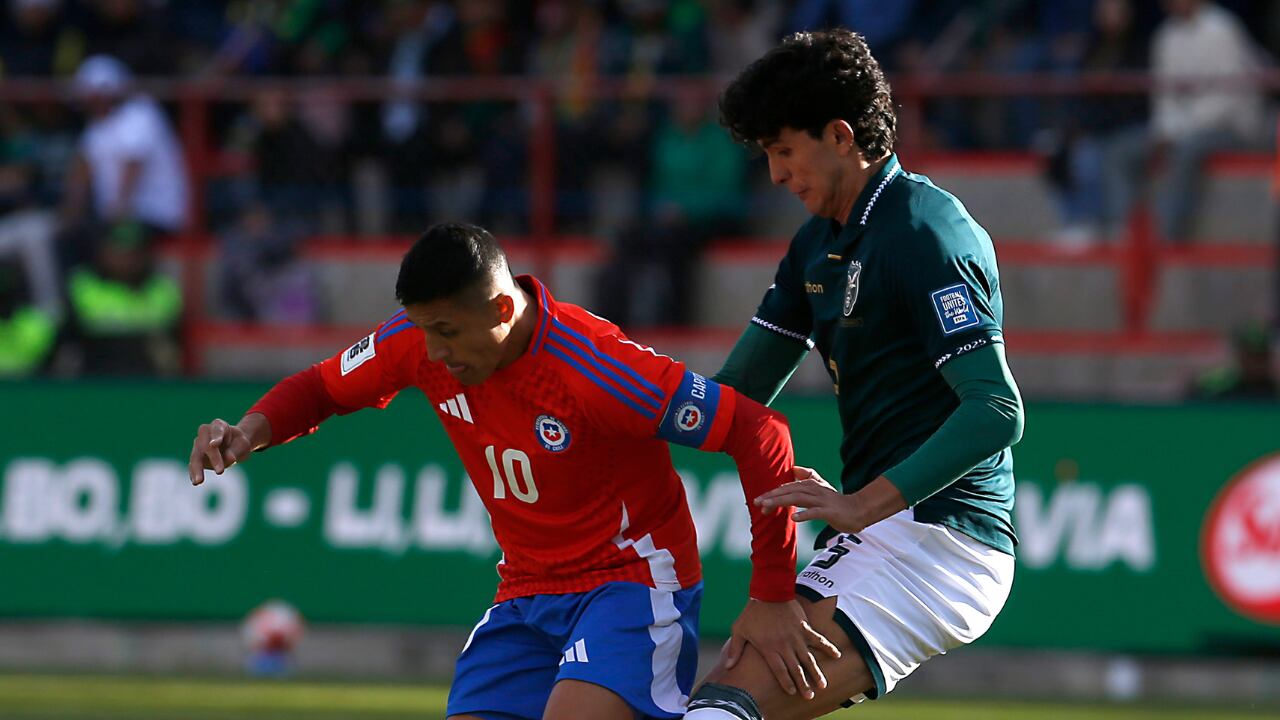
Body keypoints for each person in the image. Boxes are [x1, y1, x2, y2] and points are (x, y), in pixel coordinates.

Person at [188, 223, 840, 720]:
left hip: (631, 584)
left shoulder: (595, 370)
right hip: (526, 592)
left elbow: (760, 431)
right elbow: (323, 387)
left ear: (502, 311)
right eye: (423, 331)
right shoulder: (417, 341)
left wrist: (773, 593)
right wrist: (249, 432)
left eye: (446, 332)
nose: (434, 354)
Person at [683, 29, 1025, 719]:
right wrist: (605, 401)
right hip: (884, 536)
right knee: (717, 706)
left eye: (784, 151)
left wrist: (859, 505)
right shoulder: (816, 243)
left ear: (839, 136)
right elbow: (735, 395)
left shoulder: (926, 232)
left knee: (724, 709)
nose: (776, 175)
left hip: (943, 541)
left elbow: (996, 411)